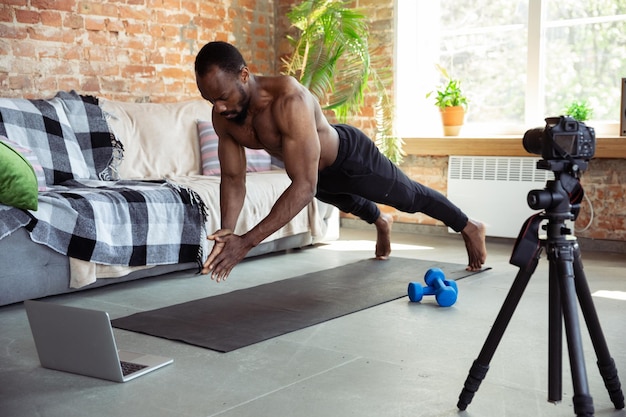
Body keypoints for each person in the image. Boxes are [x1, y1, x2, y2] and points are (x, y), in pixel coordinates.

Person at [194, 41, 486, 282]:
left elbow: (304, 187)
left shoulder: (288, 100)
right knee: (350, 203)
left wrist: (246, 242)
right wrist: (228, 232)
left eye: (222, 97)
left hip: (349, 158)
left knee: (408, 197)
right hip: (316, 174)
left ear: (244, 75)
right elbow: (233, 178)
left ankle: (469, 225)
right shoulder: (224, 116)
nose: (218, 107)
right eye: (210, 101)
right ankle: (381, 221)